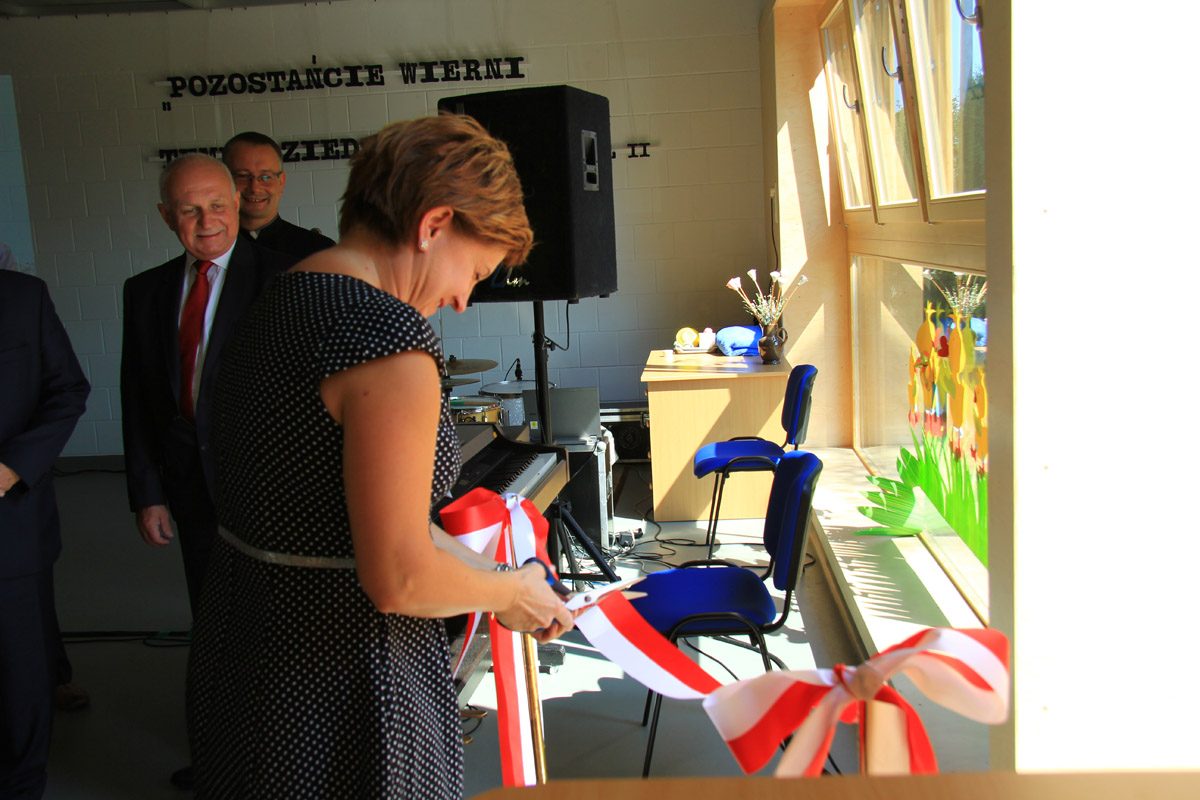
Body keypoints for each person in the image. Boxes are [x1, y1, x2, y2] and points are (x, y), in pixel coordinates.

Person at [188, 113, 575, 798]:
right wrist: (511, 593)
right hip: (339, 682)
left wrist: (502, 578)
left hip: (242, 654)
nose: (462, 300)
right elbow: (399, 577)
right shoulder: (386, 338)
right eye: (474, 271)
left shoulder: (281, 295)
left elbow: (345, 520)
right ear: (433, 224)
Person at [120, 154, 295, 790]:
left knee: (277, 632)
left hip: (272, 493)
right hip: (191, 493)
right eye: (189, 209)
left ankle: (280, 762)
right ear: (166, 216)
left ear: (237, 204)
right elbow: (138, 398)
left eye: (217, 205)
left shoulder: (284, 277)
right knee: (214, 627)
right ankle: (222, 759)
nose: (207, 221)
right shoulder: (144, 291)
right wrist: (148, 493)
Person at [0, 269, 90, 799]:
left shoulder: (21, 296)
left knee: (19, 671)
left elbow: (67, 389)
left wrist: (13, 467)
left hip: (9, 525)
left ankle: (20, 785)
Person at [221, 131, 336, 259]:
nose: (254, 188)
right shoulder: (210, 249)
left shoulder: (319, 251)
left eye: (266, 177)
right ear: (224, 180)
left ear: (281, 182)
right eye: (242, 176)